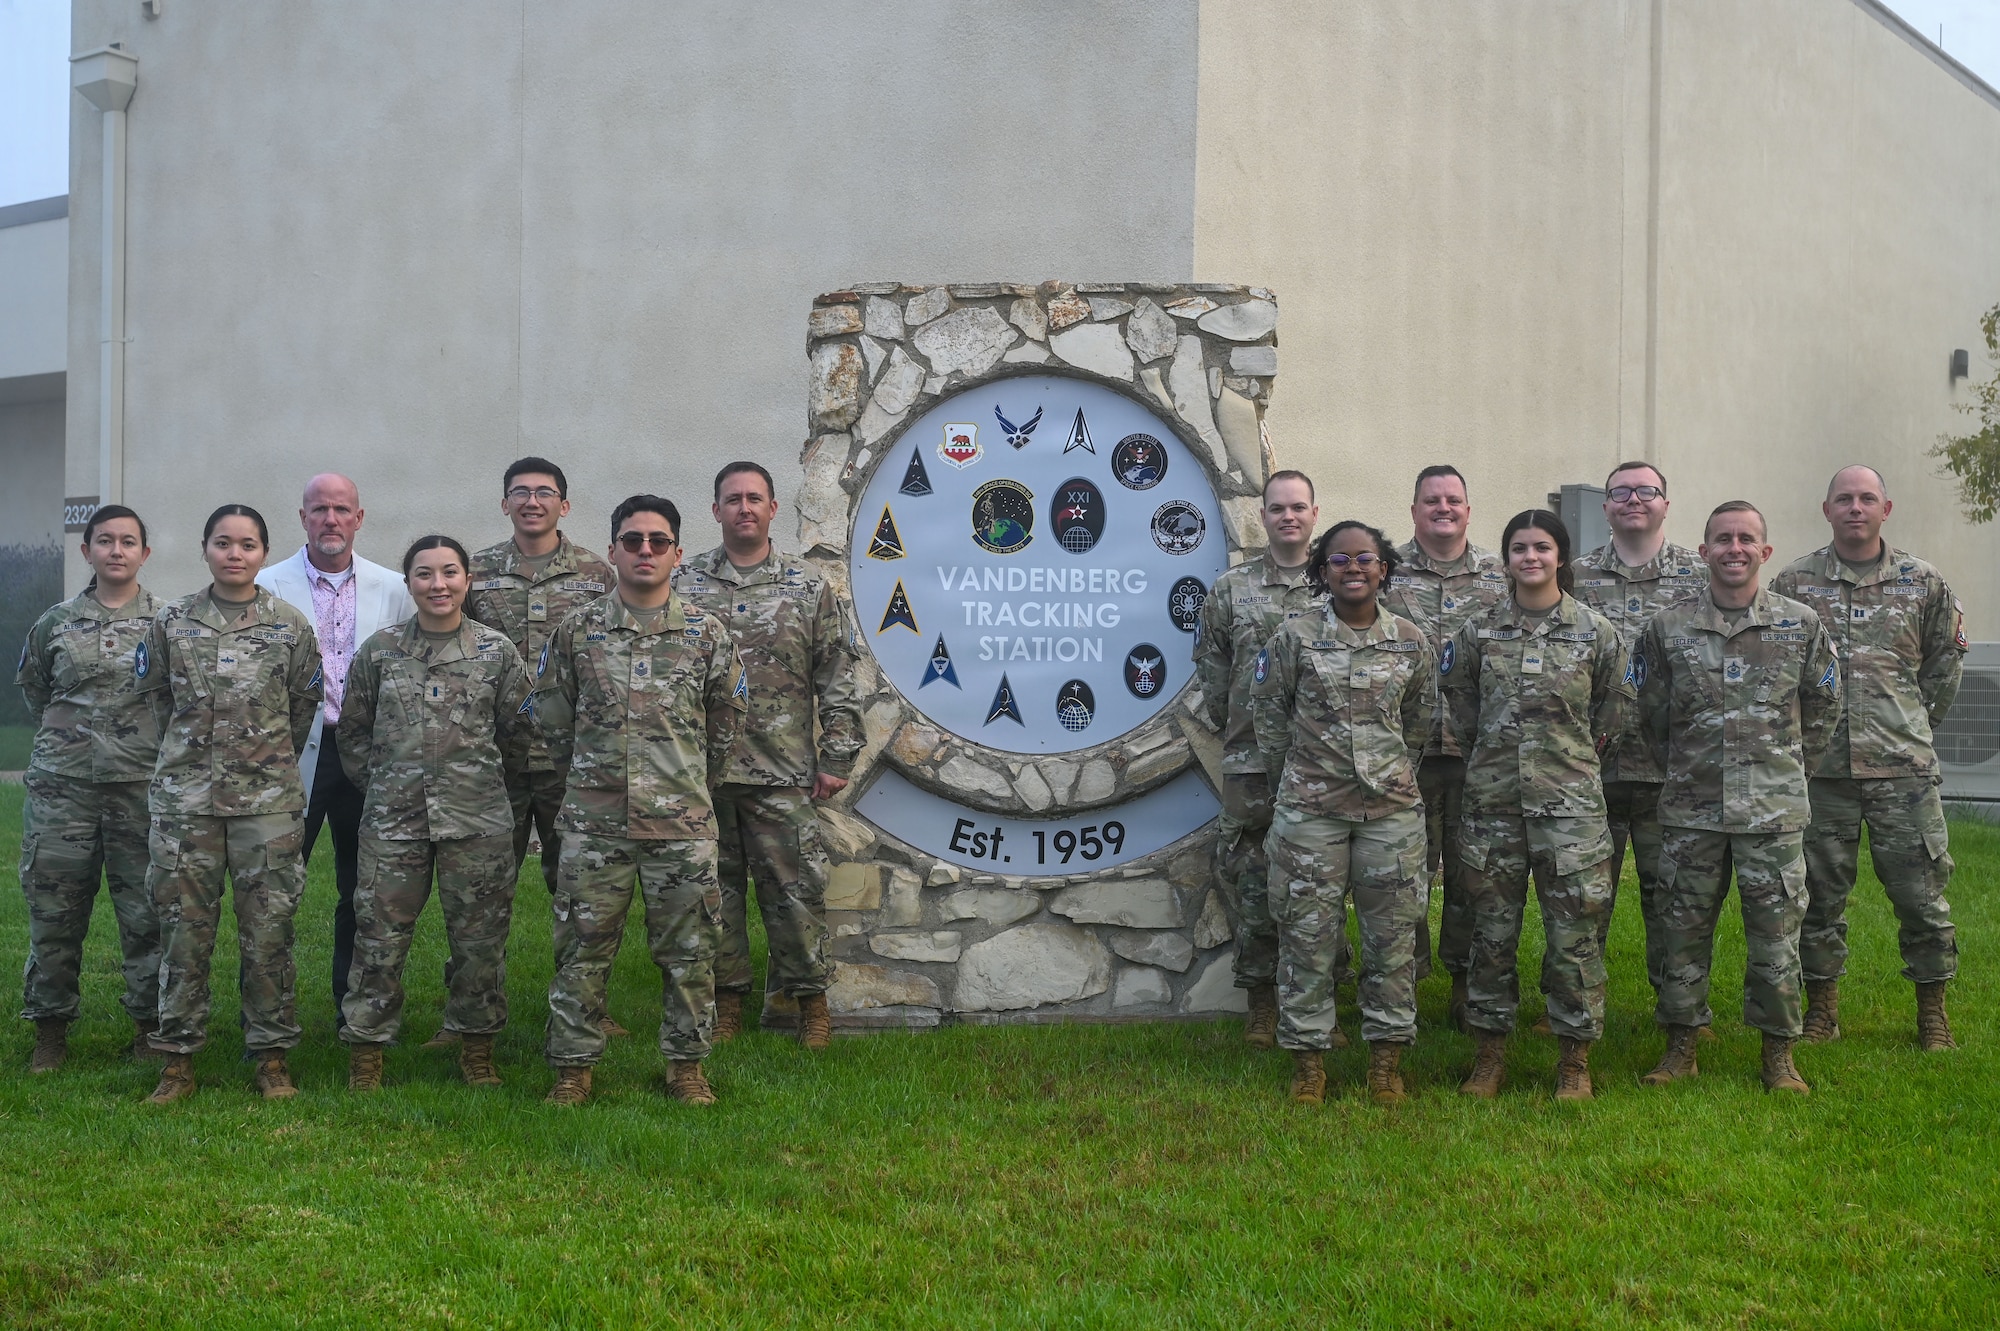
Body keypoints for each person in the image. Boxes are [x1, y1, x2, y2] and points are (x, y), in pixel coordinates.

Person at [531, 495, 747, 1106]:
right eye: (632, 541)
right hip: (595, 823)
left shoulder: (707, 633)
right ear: (612, 551)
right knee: (581, 950)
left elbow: (725, 719)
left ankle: (686, 1067)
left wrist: (689, 786)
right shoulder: (577, 630)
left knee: (690, 953)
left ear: (677, 552)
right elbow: (552, 716)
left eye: (657, 541)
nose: (645, 551)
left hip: (681, 824)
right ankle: (572, 1069)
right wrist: (590, 775)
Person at [1635, 501, 1841, 1094]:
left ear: (1764, 551)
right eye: (1722, 539)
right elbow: (1649, 713)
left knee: (1776, 938)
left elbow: (1824, 707)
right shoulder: (1667, 629)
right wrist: (1682, 769)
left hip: (1771, 816)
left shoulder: (1800, 625)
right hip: (1691, 810)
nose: (1734, 548)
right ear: (1703, 551)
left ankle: (1778, 1054)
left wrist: (1789, 771)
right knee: (1682, 930)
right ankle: (1681, 1046)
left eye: (1746, 539)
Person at [1771, 465, 1966, 1050]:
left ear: (1887, 508)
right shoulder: (1793, 583)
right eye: (1844, 499)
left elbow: (1944, 664)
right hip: (1821, 772)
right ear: (1826, 509)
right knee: (1816, 898)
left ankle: (1932, 1013)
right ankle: (1823, 1012)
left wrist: (1912, 727)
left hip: (1902, 772)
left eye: (1867, 499)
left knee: (1922, 896)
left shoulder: (1922, 582)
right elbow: (1777, 666)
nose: (1855, 508)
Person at [670, 461, 862, 1049]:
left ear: (774, 509)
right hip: (702, 773)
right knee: (714, 895)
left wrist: (837, 757)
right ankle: (727, 1001)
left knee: (794, 892)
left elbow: (837, 677)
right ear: (717, 511)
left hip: (782, 771)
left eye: (755, 499)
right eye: (733, 500)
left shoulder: (807, 588)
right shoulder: (685, 583)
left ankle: (810, 1004)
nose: (745, 508)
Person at [1442, 511, 1632, 1101]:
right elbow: (1461, 703)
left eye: (1542, 547)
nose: (1530, 557)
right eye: (1519, 548)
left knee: (1574, 938)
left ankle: (1575, 1059)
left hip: (1570, 810)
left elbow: (1614, 711)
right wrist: (1496, 756)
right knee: (1491, 937)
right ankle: (1489, 1056)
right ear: (1505, 561)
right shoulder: (1478, 633)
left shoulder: (1596, 632)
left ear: (1561, 558)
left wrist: (1569, 758)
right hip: (1493, 808)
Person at [138, 505, 324, 1102]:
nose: (235, 553)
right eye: (223, 542)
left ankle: (271, 1057)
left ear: (264, 553)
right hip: (186, 806)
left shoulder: (290, 625)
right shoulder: (171, 623)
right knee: (183, 934)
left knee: (269, 934)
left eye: (247, 544)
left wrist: (262, 764)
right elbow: (156, 703)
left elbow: (301, 709)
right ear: (205, 549)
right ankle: (177, 1061)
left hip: (265, 807)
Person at [336, 536, 534, 1090]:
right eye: (425, 574)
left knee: (479, 945)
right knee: (378, 939)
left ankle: (476, 1051)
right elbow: (353, 732)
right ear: (409, 583)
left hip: (477, 823)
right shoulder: (379, 651)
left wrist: (482, 786)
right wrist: (383, 787)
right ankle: (367, 1053)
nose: (438, 584)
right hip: (393, 824)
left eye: (450, 573)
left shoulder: (497, 653)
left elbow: (519, 733)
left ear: (467, 580)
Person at [1252, 521, 1435, 1106]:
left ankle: (1386, 1062)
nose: (1353, 568)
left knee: (1393, 941)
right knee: (1307, 936)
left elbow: (1420, 723)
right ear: (1321, 570)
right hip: (1312, 812)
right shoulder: (1295, 637)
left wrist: (1387, 770)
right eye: (1339, 559)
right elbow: (1270, 716)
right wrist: (1306, 775)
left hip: (1390, 814)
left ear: (1384, 567)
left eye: (1365, 558)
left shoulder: (1411, 640)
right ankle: (1309, 1062)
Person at [462, 456, 620, 1044]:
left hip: (569, 761)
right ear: (504, 504)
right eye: (520, 493)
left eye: (545, 492)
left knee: (578, 889)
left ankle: (586, 1006)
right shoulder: (473, 573)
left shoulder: (597, 574)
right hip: (492, 762)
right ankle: (471, 1012)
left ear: (564, 504)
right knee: (480, 891)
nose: (532, 501)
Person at [256, 473, 415, 1016]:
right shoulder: (268, 584)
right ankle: (270, 1009)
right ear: (302, 518)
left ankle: (353, 1003)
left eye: (341, 509)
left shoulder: (394, 588)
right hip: (291, 750)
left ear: (359, 519)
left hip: (366, 754)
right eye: (319, 509)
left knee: (362, 887)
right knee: (274, 890)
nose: (330, 519)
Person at [14, 505, 165, 1072]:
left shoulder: (167, 622)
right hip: (63, 795)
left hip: (141, 791)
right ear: (87, 552)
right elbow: (37, 694)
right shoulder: (54, 622)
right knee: (55, 914)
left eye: (129, 541)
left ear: (145, 553)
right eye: (105, 541)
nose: (117, 551)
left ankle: (149, 1028)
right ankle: (50, 1032)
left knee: (147, 914)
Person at [1193, 469, 1330, 1049]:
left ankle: (1322, 1002)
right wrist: (1242, 728)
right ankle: (1262, 1003)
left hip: (1324, 764)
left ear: (1314, 515)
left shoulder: (1339, 583)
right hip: (1251, 762)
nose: (1288, 517)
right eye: (1277, 509)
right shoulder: (1231, 588)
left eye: (1298, 507)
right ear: (1263, 517)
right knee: (1252, 879)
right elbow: (1213, 667)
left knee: (1322, 883)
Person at [1571, 462, 1706, 1013]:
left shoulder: (1701, 578)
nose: (1633, 500)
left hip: (1669, 771)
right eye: (1620, 492)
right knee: (1581, 898)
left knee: (1672, 899)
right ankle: (1574, 1003)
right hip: (1586, 769)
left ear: (1665, 505)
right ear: (1605, 506)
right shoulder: (1572, 577)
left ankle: (1679, 1009)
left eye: (1646, 491)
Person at [1379, 465, 1506, 1009]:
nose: (1443, 508)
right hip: (1402, 756)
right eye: (1432, 500)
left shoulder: (1499, 578)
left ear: (1468, 510)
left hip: (1474, 755)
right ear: (1414, 510)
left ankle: (1464, 985)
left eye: (1453, 499)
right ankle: (1399, 986)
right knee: (1401, 875)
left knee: (1470, 875)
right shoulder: (1385, 572)